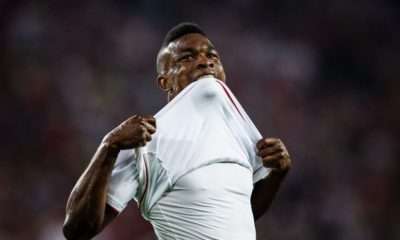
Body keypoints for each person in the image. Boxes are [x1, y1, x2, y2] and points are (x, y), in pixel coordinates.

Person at [63, 22, 291, 240]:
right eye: (188, 57)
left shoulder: (239, 134)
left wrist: (277, 175)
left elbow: (239, 216)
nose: (205, 62)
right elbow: (77, 230)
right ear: (165, 82)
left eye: (212, 56)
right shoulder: (144, 141)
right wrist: (109, 145)